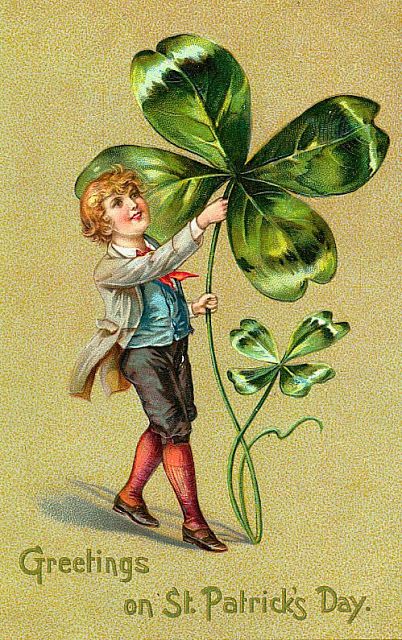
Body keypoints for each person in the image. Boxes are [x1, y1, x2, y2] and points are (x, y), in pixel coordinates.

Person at [70, 165, 228, 552]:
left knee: (170, 424)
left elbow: (158, 301)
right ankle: (193, 522)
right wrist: (200, 224)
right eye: (117, 202)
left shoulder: (152, 243)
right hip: (142, 356)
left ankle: (129, 497)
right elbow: (154, 269)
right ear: (102, 224)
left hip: (174, 347)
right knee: (176, 432)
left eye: (134, 196)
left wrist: (191, 308)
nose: (134, 205)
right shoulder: (111, 267)